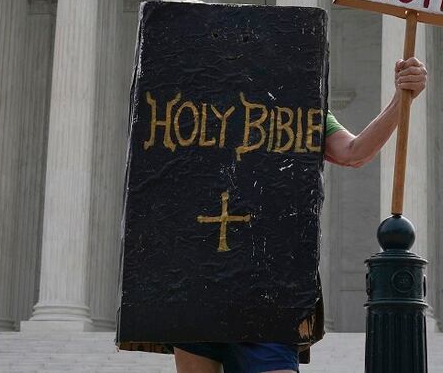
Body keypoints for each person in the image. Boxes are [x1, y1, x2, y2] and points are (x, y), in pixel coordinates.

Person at [173, 56, 429, 373]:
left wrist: (401, 99)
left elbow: (354, 152)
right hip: (201, 283)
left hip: (270, 287)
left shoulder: (302, 111)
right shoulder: (194, 108)